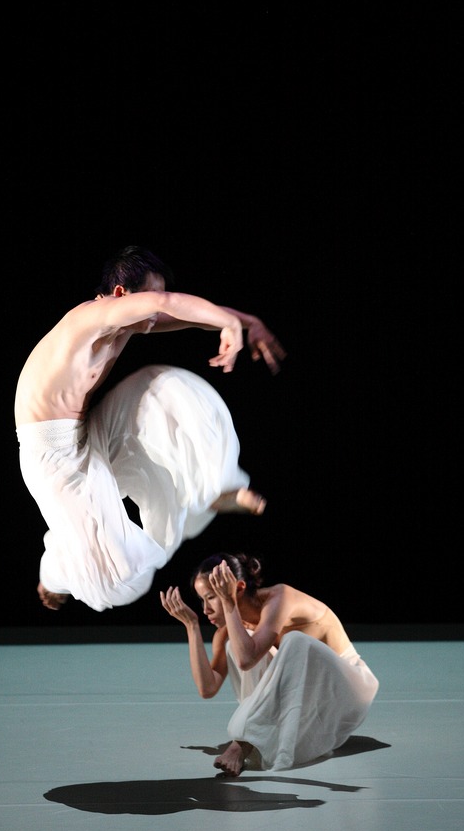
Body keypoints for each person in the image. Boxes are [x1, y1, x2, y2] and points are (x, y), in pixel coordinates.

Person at [15, 246, 286, 614]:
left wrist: (246, 322)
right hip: (50, 456)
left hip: (88, 431)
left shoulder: (127, 323)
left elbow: (183, 315)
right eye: (149, 300)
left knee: (165, 390)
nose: (155, 315)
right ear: (121, 294)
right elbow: (166, 302)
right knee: (125, 575)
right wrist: (228, 325)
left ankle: (213, 487)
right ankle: (54, 571)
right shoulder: (92, 315)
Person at [160, 551, 379, 776]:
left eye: (211, 597)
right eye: (202, 600)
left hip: (349, 691)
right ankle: (254, 738)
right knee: (236, 644)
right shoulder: (227, 632)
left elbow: (246, 659)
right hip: (312, 705)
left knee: (294, 641)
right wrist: (192, 626)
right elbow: (208, 688)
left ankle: (242, 743)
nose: (206, 609)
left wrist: (228, 601)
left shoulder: (280, 597)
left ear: (238, 588)